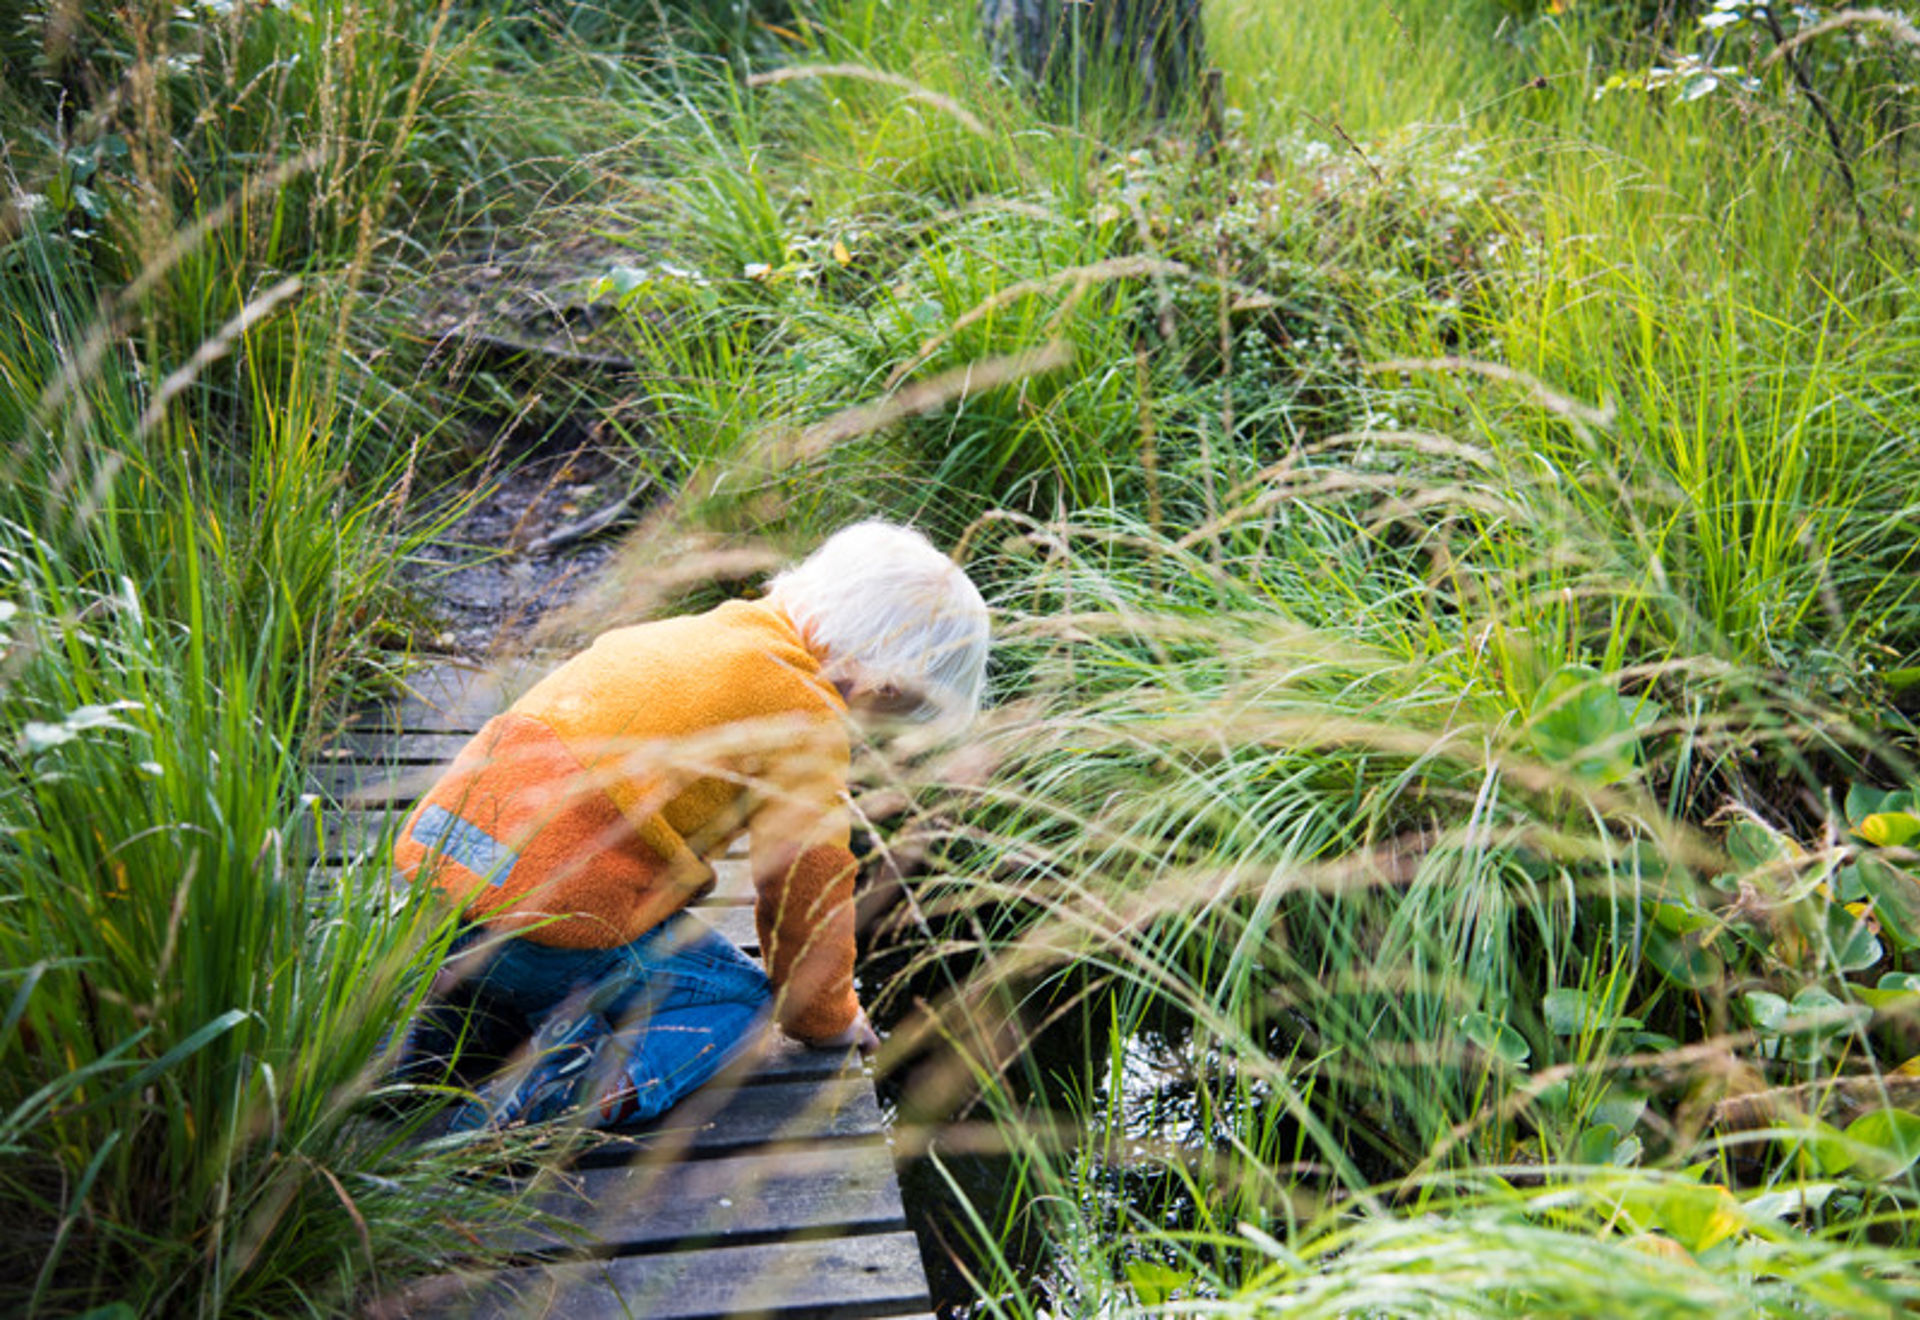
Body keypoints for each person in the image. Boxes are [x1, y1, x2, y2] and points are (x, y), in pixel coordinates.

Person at [389, 521, 989, 1130]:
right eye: (881, 721)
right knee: (742, 1001)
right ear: (876, 683)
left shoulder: (687, 634)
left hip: (437, 881)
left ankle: (442, 1039)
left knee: (540, 927)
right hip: (547, 922)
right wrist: (825, 1018)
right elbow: (806, 895)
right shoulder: (806, 717)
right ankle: (564, 1090)